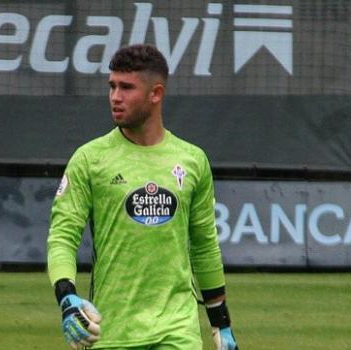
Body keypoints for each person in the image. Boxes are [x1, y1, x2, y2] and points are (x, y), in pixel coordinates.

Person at [47, 44, 238, 350]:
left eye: (126, 87)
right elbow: (62, 236)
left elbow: (204, 245)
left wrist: (221, 322)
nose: (115, 97)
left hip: (178, 330)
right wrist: (66, 296)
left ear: (156, 93)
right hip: (111, 331)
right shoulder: (89, 159)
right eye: (112, 86)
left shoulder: (192, 160)